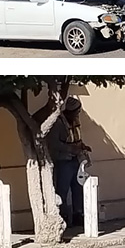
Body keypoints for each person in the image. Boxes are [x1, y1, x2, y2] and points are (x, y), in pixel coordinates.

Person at [48, 97, 92, 227]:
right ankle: (63, 216)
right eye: (77, 111)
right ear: (70, 111)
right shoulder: (58, 123)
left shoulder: (75, 121)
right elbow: (54, 144)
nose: (78, 114)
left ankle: (78, 215)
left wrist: (82, 146)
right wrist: (71, 148)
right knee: (62, 189)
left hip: (77, 160)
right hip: (64, 161)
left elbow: (76, 137)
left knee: (78, 188)